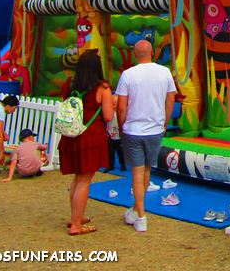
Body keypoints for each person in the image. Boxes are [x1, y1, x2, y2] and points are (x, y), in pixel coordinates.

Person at [117, 40, 176, 233]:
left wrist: (122, 125)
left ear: (135, 54)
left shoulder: (127, 75)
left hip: (133, 129)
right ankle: (136, 211)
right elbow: (170, 100)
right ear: (153, 52)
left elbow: (121, 105)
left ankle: (141, 216)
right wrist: (164, 123)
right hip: (155, 129)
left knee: (137, 173)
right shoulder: (165, 72)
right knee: (146, 172)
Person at [57, 50, 113, 236]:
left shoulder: (69, 83)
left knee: (77, 178)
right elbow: (108, 116)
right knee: (84, 180)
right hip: (91, 137)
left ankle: (76, 217)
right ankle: (76, 226)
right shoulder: (102, 88)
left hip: (72, 135)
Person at [102, 94, 126, 173]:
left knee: (120, 151)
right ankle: (110, 165)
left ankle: (123, 164)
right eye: (111, 104)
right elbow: (108, 122)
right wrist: (107, 130)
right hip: (111, 135)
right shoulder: (111, 113)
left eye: (114, 104)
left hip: (119, 136)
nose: (113, 106)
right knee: (110, 151)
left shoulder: (122, 114)